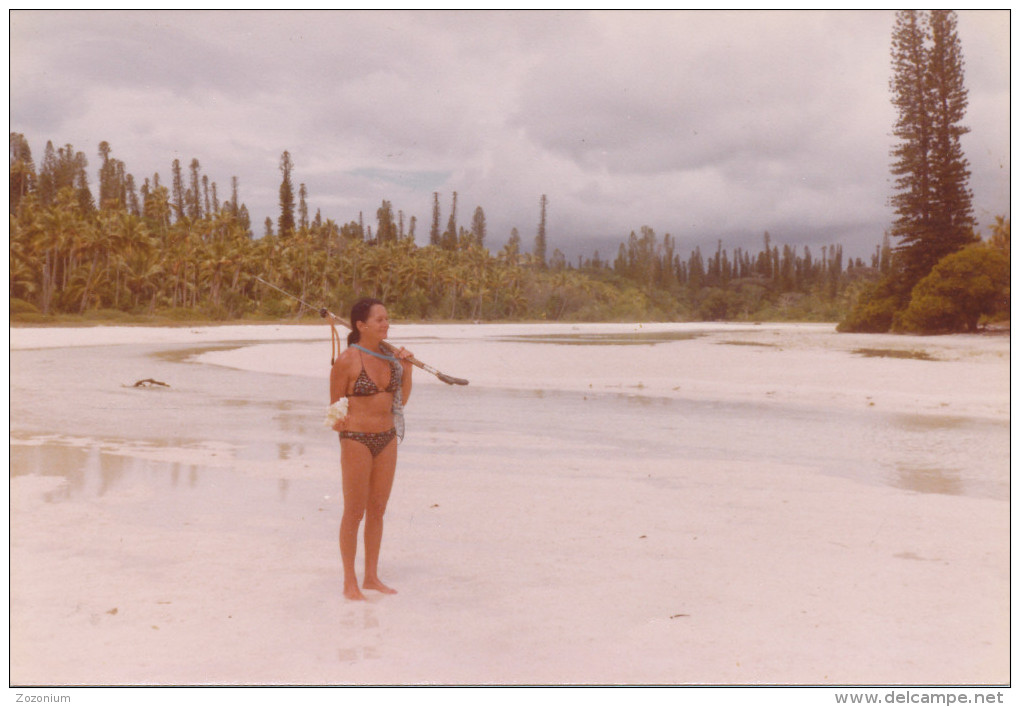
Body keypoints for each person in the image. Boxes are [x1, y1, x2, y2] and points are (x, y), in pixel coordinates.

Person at [329, 297, 413, 601]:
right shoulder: (347, 361)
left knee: (378, 509)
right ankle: (349, 582)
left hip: (387, 438)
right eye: (379, 320)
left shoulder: (391, 359)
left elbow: (400, 401)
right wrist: (339, 422)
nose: (386, 324)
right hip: (357, 440)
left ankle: (371, 577)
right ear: (361, 325)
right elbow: (334, 406)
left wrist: (406, 369)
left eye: (387, 319)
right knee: (355, 511)